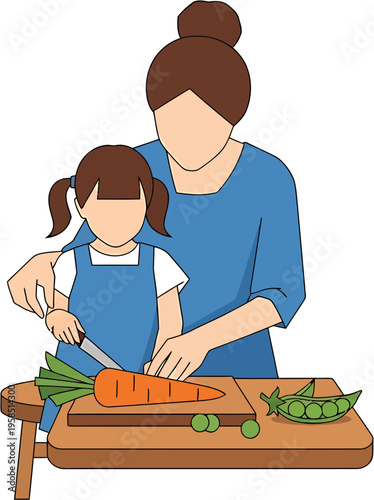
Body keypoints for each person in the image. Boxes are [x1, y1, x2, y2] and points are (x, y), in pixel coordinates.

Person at [8, 1, 305, 382]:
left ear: (234, 116)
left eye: (203, 125)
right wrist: (47, 261)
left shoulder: (267, 177)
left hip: (238, 372)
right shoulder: (135, 166)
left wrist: (199, 340)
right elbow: (96, 249)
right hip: (127, 371)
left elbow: (282, 294)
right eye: (170, 123)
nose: (184, 143)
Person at [39, 145, 188, 432]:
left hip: (138, 381)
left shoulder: (160, 262)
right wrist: (56, 317)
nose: (118, 219)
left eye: (131, 207)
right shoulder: (70, 261)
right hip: (76, 379)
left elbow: (171, 325)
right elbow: (57, 309)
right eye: (107, 207)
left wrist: (157, 372)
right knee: (70, 442)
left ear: (147, 207)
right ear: (81, 207)